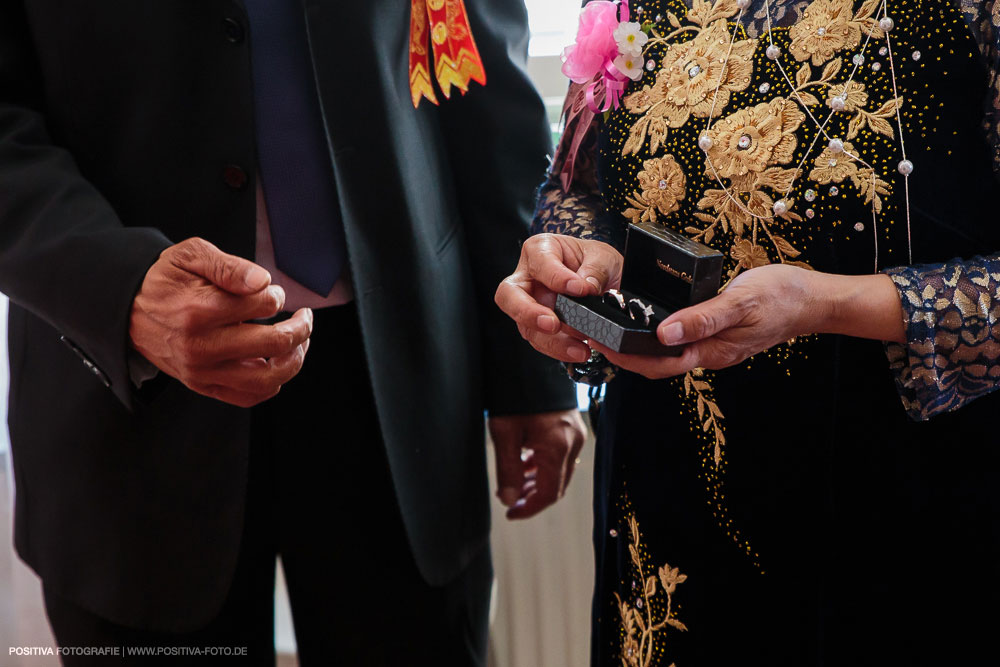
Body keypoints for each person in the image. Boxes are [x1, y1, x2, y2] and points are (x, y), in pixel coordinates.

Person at [0, 1, 585, 664]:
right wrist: (118, 290)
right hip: (126, 401)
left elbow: (485, 91)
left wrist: (527, 369)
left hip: (403, 387)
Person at [496, 0, 1000, 664]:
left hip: (900, 520)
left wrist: (828, 302)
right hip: (667, 512)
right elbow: (582, 185)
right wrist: (574, 258)